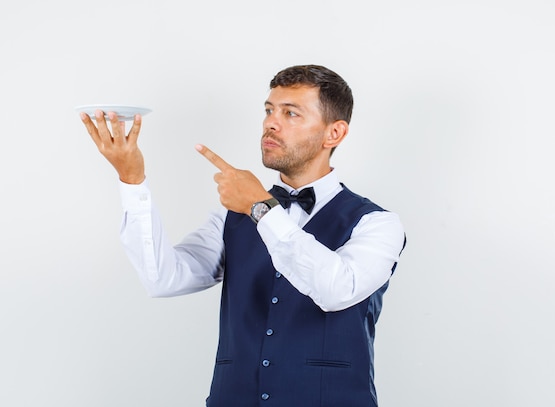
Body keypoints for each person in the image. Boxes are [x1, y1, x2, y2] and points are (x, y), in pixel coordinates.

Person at [80, 65, 405, 406]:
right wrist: (132, 180)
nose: (271, 123)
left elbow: (336, 290)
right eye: (269, 111)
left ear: (334, 134)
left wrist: (261, 208)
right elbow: (164, 279)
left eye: (290, 113)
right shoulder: (231, 215)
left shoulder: (377, 224)